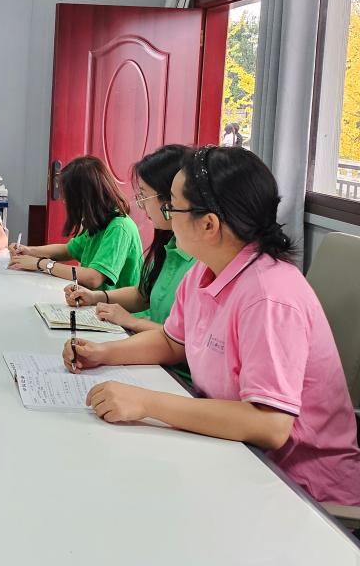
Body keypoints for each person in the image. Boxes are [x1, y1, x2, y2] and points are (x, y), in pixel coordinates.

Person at [63, 146, 360, 506]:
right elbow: (172, 343)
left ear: (208, 224)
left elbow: (270, 425)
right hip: (234, 455)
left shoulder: (269, 295)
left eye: (172, 207)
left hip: (296, 489)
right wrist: (102, 353)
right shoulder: (204, 271)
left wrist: (147, 402)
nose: (165, 216)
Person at [64, 145, 195, 381]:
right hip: (152, 355)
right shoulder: (170, 243)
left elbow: (182, 342)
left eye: (144, 195)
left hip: (176, 374)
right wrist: (97, 298)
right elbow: (144, 294)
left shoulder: (201, 262)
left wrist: (131, 322)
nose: (141, 204)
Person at [8, 155, 142, 288]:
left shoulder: (119, 227)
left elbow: (93, 278)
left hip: (112, 302)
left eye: (68, 196)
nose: (64, 201)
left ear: (84, 197)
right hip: (92, 298)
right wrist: (29, 250)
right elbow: (68, 250)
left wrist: (41, 264)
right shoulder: (101, 222)